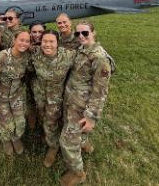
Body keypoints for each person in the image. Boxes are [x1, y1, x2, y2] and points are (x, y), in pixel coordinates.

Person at [59, 20, 115, 186]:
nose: (81, 36)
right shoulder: (81, 49)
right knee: (76, 132)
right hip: (71, 100)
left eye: (85, 33)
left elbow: (100, 91)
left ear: (93, 33)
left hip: (82, 106)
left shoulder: (99, 58)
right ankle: (84, 143)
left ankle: (78, 173)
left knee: (66, 141)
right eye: (78, 33)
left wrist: (91, 118)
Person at [31, 30, 76, 168]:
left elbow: (88, 61)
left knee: (51, 120)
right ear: (40, 42)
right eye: (45, 41)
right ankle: (50, 136)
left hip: (55, 97)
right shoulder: (34, 53)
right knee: (43, 117)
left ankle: (53, 146)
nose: (48, 44)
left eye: (51, 41)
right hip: (39, 94)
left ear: (58, 43)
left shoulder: (68, 55)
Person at [0, 31, 31, 156]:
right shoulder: (1, 58)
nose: (24, 43)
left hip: (17, 96)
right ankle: (6, 140)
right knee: (6, 124)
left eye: (27, 41)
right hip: (1, 98)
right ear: (14, 40)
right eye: (21, 40)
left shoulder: (26, 56)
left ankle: (15, 138)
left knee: (20, 123)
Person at [26, 21, 46, 129]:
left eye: (40, 31)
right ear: (30, 32)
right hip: (28, 77)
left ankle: (41, 117)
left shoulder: (48, 42)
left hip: (42, 78)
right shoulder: (25, 42)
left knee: (42, 101)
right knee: (29, 98)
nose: (37, 34)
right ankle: (32, 115)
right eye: (34, 32)